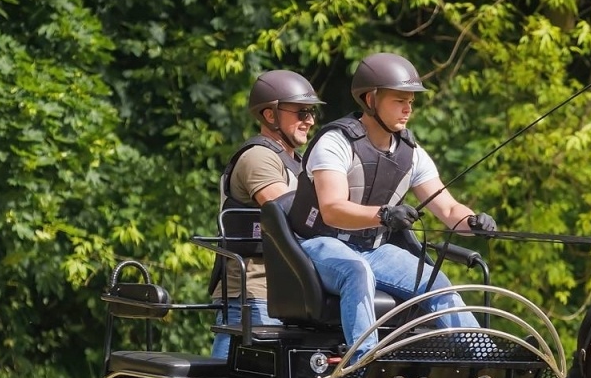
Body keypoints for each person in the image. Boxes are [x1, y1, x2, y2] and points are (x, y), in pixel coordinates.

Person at [286, 52, 497, 358]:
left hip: (374, 249)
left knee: (436, 281)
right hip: (319, 244)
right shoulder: (336, 142)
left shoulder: (411, 153)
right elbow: (332, 209)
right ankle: (364, 364)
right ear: (371, 99)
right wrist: (383, 215)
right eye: (399, 100)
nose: (408, 108)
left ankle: (486, 361)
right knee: (357, 271)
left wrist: (473, 221)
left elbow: (450, 211)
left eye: (411, 101)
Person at [210, 70, 324, 359]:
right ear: (270, 115)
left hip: (288, 290)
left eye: (311, 112)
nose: (309, 120)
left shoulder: (295, 162)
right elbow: (285, 213)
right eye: (301, 111)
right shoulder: (259, 157)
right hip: (255, 291)